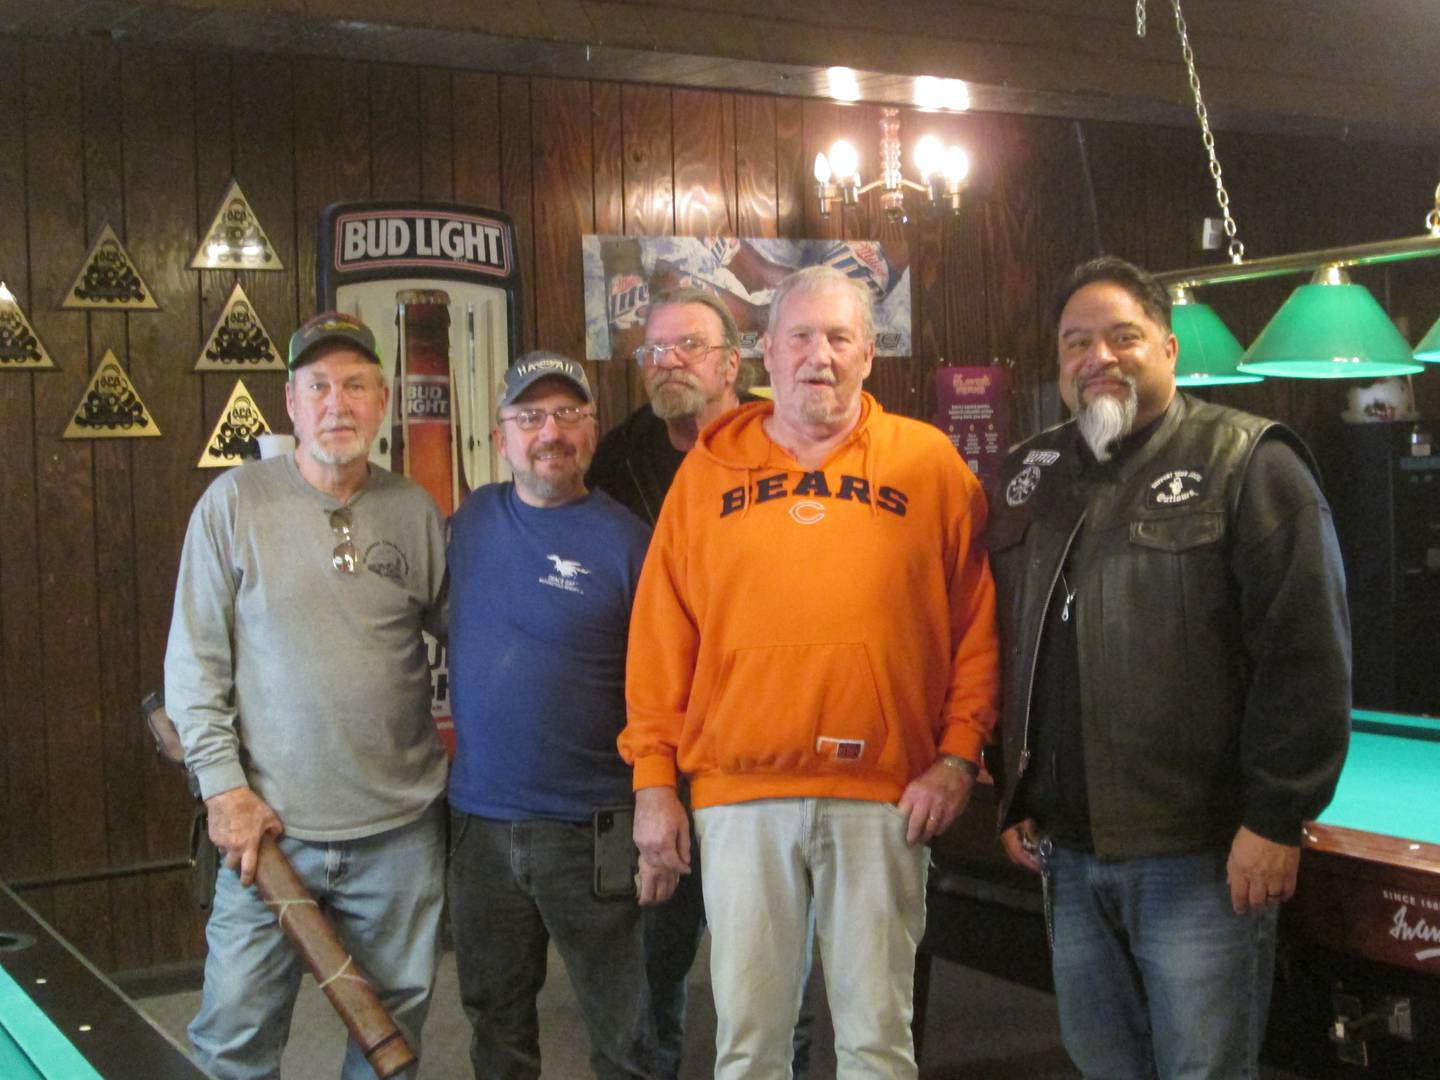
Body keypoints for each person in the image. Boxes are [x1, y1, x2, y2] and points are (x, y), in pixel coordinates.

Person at [619, 265, 1001, 1079]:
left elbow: (977, 625)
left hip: (883, 797)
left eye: (838, 338)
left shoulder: (929, 465)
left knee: (876, 1042)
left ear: (869, 353)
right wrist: (654, 781)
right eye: (800, 336)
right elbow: (661, 639)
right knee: (750, 1045)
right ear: (766, 352)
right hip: (739, 796)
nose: (818, 356)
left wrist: (958, 755)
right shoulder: (706, 475)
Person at [987, 256, 1351, 1078]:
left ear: (1171, 349)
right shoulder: (1031, 477)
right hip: (1069, 858)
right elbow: (1010, 639)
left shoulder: (1250, 461)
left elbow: (1308, 655)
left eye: (1124, 337)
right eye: (1076, 343)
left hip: (1201, 856)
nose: (1098, 359)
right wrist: (1010, 782)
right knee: (1104, 1066)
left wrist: (1275, 818)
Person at [165, 311, 448, 1080]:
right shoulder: (233, 506)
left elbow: (475, 643)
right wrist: (224, 790)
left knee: (390, 1042)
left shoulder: (416, 511)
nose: (337, 402)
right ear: (290, 403)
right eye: (318, 385)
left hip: (399, 835)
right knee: (234, 1043)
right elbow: (192, 669)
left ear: (382, 401)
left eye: (355, 385)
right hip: (268, 840)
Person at [588, 288, 812, 1079]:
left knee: (778, 952)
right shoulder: (619, 457)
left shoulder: (784, 434)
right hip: (666, 732)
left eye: (688, 346)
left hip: (767, 729)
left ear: (732, 360)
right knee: (661, 946)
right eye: (654, 351)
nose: (668, 362)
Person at [446, 351, 662, 1080]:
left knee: (623, 1032)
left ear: (593, 431)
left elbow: (663, 688)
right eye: (530, 416)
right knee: (496, 1028)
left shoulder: (631, 543)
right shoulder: (468, 523)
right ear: (501, 435)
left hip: (595, 830)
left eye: (568, 414)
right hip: (480, 828)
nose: (550, 432)